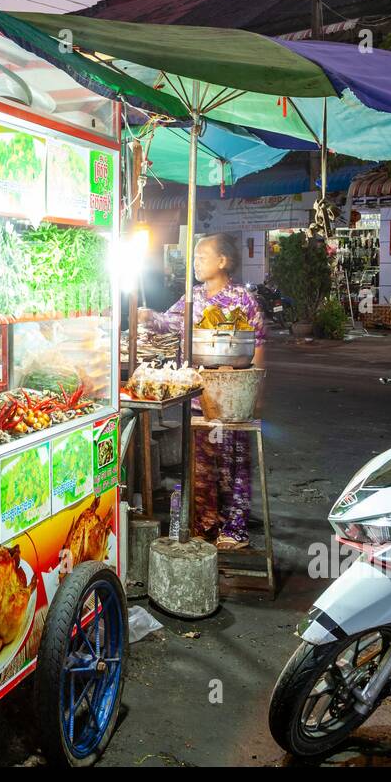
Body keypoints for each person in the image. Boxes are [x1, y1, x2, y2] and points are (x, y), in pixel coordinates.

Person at [140, 233, 266, 550]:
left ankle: (235, 530)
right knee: (200, 467)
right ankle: (205, 525)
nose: (195, 263)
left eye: (202, 257)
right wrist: (146, 316)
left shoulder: (242, 299)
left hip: (232, 396)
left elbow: (259, 343)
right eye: (194, 258)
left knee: (233, 466)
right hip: (198, 398)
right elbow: (167, 323)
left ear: (222, 261)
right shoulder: (192, 297)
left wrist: (255, 391)